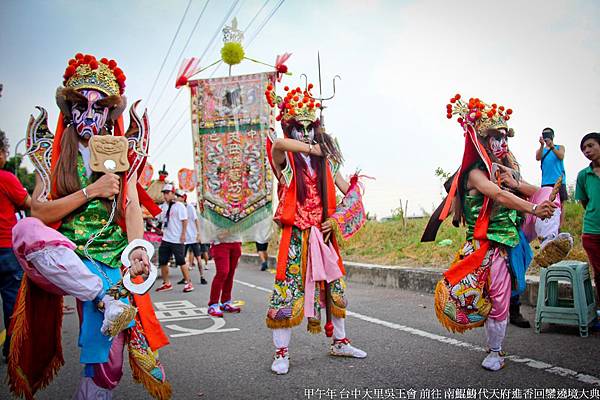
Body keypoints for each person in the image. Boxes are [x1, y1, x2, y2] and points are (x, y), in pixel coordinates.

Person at [8, 54, 170, 399]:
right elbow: (38, 212)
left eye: (99, 107)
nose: (89, 114)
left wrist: (137, 248)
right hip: (65, 255)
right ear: (68, 108)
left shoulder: (122, 152)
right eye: (81, 104)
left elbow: (131, 206)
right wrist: (91, 191)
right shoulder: (51, 153)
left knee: (107, 356)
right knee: (24, 231)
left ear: (110, 112)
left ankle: (95, 384)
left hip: (109, 255)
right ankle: (102, 296)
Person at [424, 95, 567, 372]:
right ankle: (494, 350)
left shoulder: (501, 169)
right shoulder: (475, 173)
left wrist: (517, 182)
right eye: (495, 138)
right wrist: (534, 209)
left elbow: (535, 192)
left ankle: (550, 242)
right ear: (482, 140)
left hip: (512, 237)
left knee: (549, 189)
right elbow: (500, 196)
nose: (502, 144)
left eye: (505, 138)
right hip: (485, 246)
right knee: (493, 299)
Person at [264, 83, 367, 375]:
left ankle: (340, 341)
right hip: (296, 234)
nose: (306, 132)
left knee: (336, 286)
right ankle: (281, 353)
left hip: (323, 234)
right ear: (290, 127)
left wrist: (343, 213)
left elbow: (348, 191)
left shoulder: (327, 163)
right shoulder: (287, 160)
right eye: (300, 126)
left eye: (311, 127)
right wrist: (317, 148)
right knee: (287, 290)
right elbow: (279, 145)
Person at [0, 130, 31, 362]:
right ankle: (12, 349)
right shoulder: (6, 178)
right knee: (13, 299)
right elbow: (28, 203)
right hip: (5, 249)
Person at [575, 132, 600, 317]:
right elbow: (585, 203)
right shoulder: (584, 175)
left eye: (590, 146)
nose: (587, 151)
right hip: (592, 232)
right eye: (584, 148)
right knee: (599, 275)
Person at [156, 184, 193, 293]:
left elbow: (184, 220)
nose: (165, 195)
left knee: (181, 261)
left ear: (173, 194)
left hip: (177, 239)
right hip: (166, 238)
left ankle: (188, 283)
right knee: (162, 261)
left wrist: (183, 234)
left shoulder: (179, 206)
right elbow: (159, 219)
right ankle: (166, 283)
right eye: (164, 193)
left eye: (167, 193)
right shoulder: (163, 206)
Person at [206, 229, 242, 318]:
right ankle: (213, 304)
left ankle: (226, 301)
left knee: (230, 273)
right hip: (220, 243)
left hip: (235, 241)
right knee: (222, 272)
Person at [536, 127, 567, 227]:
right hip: (546, 182)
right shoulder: (542, 150)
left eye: (548, 135)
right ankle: (548, 227)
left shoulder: (559, 147)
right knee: (546, 204)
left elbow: (561, 156)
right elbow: (537, 158)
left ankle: (559, 227)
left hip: (559, 180)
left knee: (561, 204)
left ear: (552, 136)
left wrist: (552, 146)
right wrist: (541, 145)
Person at [176, 191, 207, 285]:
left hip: (192, 237)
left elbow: (196, 220)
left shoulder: (190, 207)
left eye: (179, 196)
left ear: (183, 198)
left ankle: (202, 276)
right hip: (184, 238)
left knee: (198, 258)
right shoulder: (177, 208)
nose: (177, 198)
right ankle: (185, 277)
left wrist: (198, 233)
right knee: (182, 259)